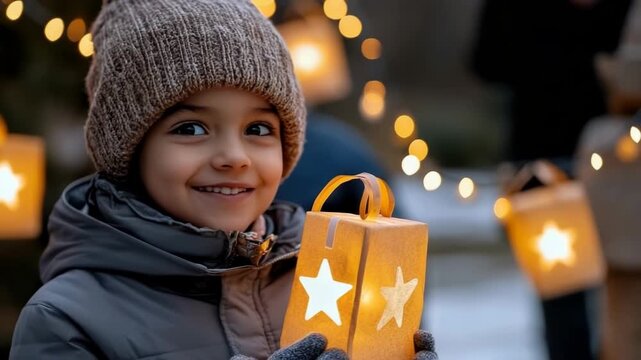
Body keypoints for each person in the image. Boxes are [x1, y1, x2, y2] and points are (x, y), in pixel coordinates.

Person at [9, 0, 437, 359]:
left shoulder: (323, 281)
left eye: (258, 129)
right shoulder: (66, 320)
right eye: (191, 129)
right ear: (130, 149)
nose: (234, 157)